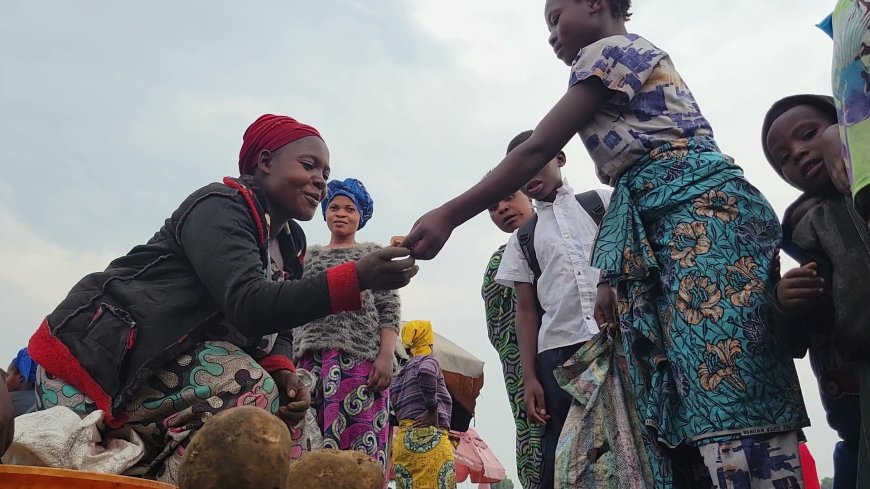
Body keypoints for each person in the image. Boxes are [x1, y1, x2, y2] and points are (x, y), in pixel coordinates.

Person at [402, 0, 809, 486]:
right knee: (675, 386)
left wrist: (449, 215)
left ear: (596, 3)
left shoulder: (613, 52)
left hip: (703, 220)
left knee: (727, 371)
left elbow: (534, 148)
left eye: (555, 18)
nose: (551, 35)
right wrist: (612, 281)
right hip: (664, 231)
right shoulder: (567, 213)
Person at [27, 114, 418, 484]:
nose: (320, 181)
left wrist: (283, 370)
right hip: (106, 360)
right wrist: (358, 276)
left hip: (176, 366)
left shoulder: (290, 242)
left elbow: (280, 323)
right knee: (248, 387)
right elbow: (249, 304)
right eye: (309, 165)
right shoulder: (220, 206)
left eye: (325, 173)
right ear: (265, 161)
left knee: (291, 420)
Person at [762, 94, 870, 489]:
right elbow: (816, 326)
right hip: (855, 413)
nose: (799, 153)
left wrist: (847, 135)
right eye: (784, 158)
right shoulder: (805, 230)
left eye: (809, 134)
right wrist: (786, 302)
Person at [492, 130, 610, 489]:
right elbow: (525, 312)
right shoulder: (523, 239)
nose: (528, 175)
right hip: (558, 354)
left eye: (535, 161)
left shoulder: (602, 203)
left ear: (559, 158)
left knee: (625, 440)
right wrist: (530, 377)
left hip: (615, 341)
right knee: (562, 452)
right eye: (518, 171)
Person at [293, 177, 399, 470]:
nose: (341, 213)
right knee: (308, 447)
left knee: (361, 450)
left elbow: (388, 308)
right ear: (325, 212)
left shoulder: (373, 256)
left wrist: (386, 357)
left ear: (361, 216)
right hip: (310, 365)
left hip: (361, 366)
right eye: (335, 207)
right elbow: (290, 306)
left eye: (350, 209)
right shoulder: (306, 258)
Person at [481, 149, 543, 489]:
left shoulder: (571, 240)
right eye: (492, 205)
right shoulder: (497, 266)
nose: (502, 208)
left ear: (529, 194)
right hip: (525, 381)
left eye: (508, 197)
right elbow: (500, 335)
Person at [390, 320, 455, 489]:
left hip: (404, 444)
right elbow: (426, 372)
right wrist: (432, 409)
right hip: (428, 439)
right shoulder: (429, 360)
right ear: (429, 341)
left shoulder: (399, 373)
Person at [6, 348, 38, 417]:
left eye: (7, 375)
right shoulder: (45, 398)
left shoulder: (8, 399)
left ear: (20, 378)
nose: (5, 380)